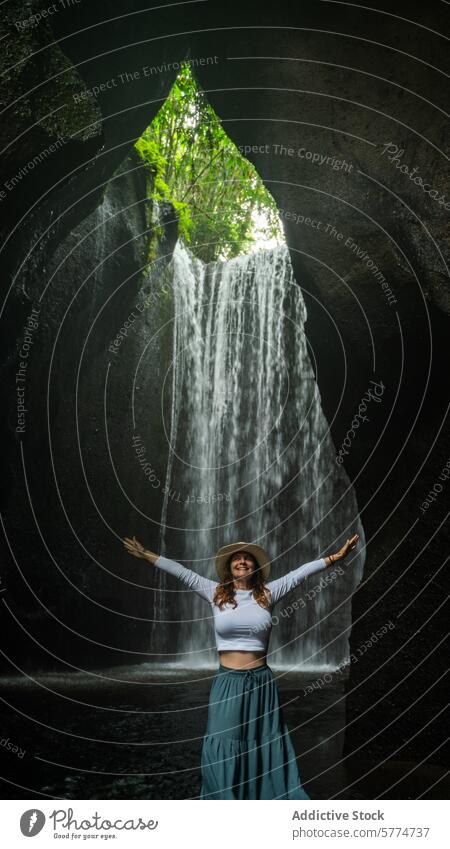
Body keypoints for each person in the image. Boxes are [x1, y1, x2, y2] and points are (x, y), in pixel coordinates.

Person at [123, 533, 359, 799]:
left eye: (247, 558)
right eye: (237, 558)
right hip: (227, 682)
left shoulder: (269, 593)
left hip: (261, 682)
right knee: (223, 740)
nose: (243, 562)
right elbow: (182, 573)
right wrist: (147, 556)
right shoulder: (215, 593)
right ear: (229, 566)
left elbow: (299, 574)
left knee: (263, 741)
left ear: (255, 567)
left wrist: (335, 558)